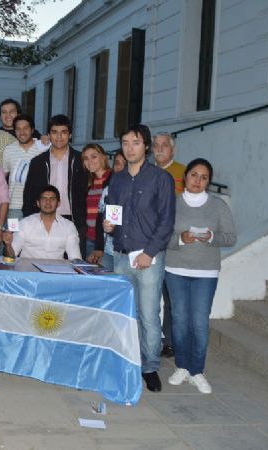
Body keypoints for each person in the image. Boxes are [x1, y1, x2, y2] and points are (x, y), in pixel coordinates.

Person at [103, 124, 175, 392]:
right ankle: (129, 360)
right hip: (120, 255)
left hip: (148, 259)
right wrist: (107, 225)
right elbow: (113, 212)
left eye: (135, 142)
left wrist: (149, 253)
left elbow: (167, 222)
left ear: (146, 146)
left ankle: (151, 367)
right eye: (125, 142)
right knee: (126, 314)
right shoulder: (117, 178)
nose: (129, 147)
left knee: (148, 315)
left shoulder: (160, 179)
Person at [165, 159, 236, 394]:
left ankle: (197, 370)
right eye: (194, 175)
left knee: (199, 322)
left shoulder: (218, 206)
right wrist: (180, 239)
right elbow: (162, 238)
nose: (198, 181)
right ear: (185, 176)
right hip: (176, 271)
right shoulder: (172, 204)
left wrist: (212, 237)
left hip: (206, 272)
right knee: (180, 320)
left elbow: (230, 238)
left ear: (208, 181)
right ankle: (182, 366)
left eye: (204, 177)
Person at [23, 114, 88, 256]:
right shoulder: (38, 162)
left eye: (64, 132)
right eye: (54, 132)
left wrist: (83, 224)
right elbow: (29, 195)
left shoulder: (81, 160)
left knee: (72, 268)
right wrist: (31, 222)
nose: (59, 137)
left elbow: (86, 193)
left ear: (70, 135)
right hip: (44, 219)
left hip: (73, 220)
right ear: (49, 135)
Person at [153, 132, 185, 358]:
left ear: (172, 150)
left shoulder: (183, 173)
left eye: (165, 146)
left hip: (174, 243)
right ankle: (152, 339)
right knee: (150, 295)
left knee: (171, 296)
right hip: (149, 242)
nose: (160, 149)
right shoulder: (146, 172)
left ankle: (171, 341)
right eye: (156, 146)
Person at [2, 185, 81, 260]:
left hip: (56, 272)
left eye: (52, 199)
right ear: (38, 203)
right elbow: (11, 257)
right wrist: (8, 245)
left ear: (58, 203)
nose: (48, 202)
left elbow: (75, 258)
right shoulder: (25, 223)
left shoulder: (68, 226)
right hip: (28, 271)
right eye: (44, 199)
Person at [2, 114, 47, 221]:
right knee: (13, 237)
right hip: (14, 208)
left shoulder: (43, 147)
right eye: (18, 129)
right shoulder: (8, 149)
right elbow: (2, 179)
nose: (22, 132)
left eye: (26, 128)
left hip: (38, 206)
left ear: (32, 130)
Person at [82, 143, 112, 264]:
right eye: (86, 158)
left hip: (107, 241)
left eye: (94, 156)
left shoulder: (114, 179)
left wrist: (100, 246)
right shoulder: (88, 183)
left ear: (103, 157)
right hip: (90, 238)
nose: (90, 161)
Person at [100, 152, 126, 269]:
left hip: (126, 251)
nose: (119, 167)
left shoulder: (140, 189)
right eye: (116, 163)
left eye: (124, 164)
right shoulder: (108, 189)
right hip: (108, 248)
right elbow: (101, 217)